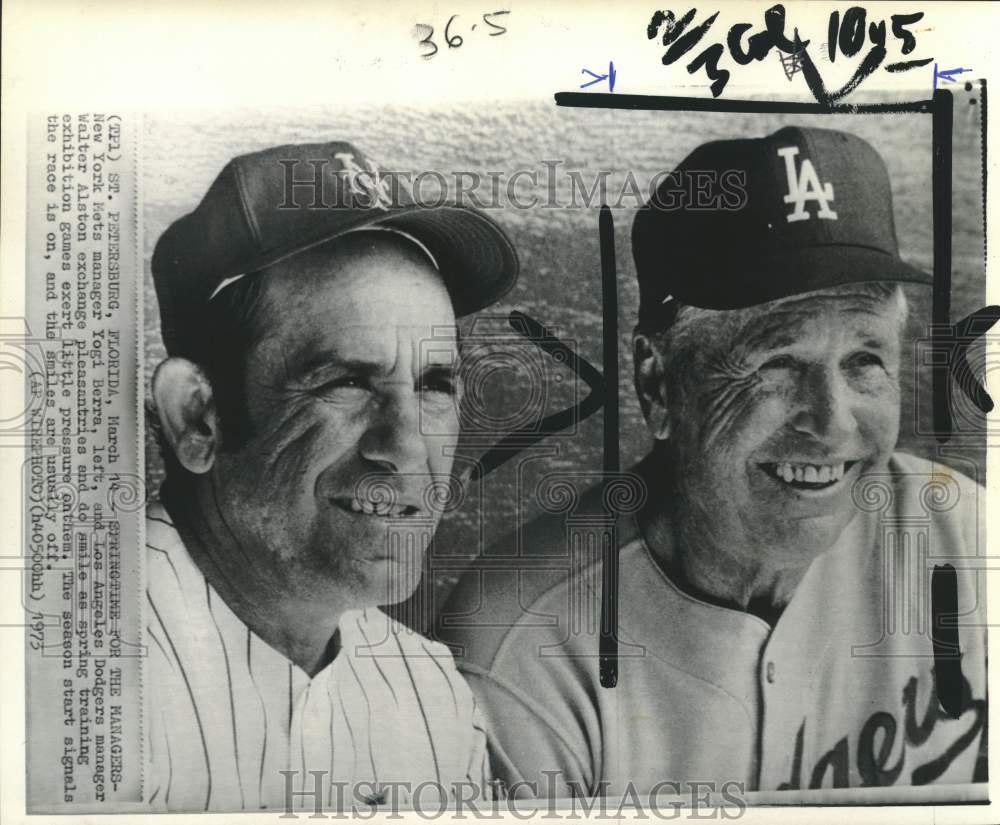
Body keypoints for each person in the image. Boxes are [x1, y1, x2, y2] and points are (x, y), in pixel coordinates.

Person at [439, 126, 987, 799]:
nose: (833, 421)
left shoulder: (970, 545)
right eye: (777, 361)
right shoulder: (522, 647)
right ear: (658, 382)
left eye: (865, 359)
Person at [145, 141, 518, 811]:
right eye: (346, 380)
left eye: (435, 383)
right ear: (197, 418)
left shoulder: (428, 693)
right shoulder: (73, 666)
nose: (406, 447)